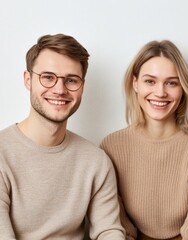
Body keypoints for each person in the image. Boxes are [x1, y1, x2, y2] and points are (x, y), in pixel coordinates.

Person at [0, 33, 125, 239]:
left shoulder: (96, 161)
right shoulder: (3, 153)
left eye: (71, 80)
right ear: (28, 80)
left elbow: (108, 230)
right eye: (48, 77)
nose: (59, 89)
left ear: (82, 87)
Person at [100, 40, 188, 240]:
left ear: (183, 88)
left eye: (171, 82)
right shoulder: (112, 147)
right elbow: (120, 230)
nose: (160, 92)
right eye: (150, 81)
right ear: (135, 83)